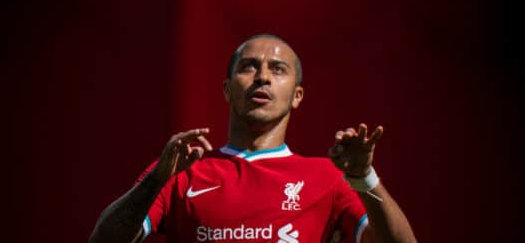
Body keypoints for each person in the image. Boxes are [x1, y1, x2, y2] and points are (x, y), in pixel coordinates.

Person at [89, 34, 417, 243]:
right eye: (249, 66)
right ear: (226, 89)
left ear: (298, 95)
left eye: (277, 69)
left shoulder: (328, 178)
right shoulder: (181, 171)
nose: (262, 76)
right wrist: (155, 182)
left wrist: (364, 178)